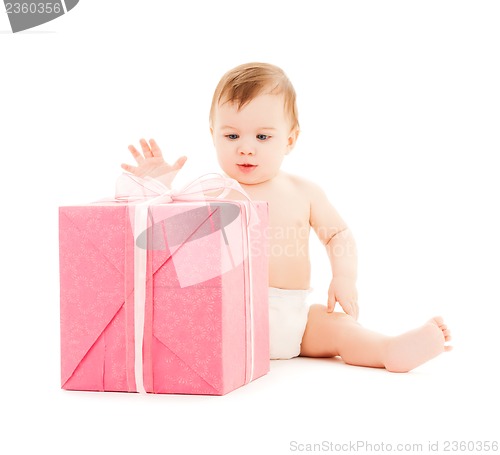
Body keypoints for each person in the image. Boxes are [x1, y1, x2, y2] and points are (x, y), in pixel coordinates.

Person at [121, 62, 452, 372]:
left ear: (290, 139)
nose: (246, 148)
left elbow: (338, 235)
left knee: (336, 326)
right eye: (231, 136)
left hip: (294, 319)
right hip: (229, 317)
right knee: (180, 320)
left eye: (262, 136)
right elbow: (159, 241)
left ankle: (388, 351)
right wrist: (158, 187)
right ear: (213, 135)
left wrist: (344, 278)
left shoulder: (303, 191)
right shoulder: (208, 192)